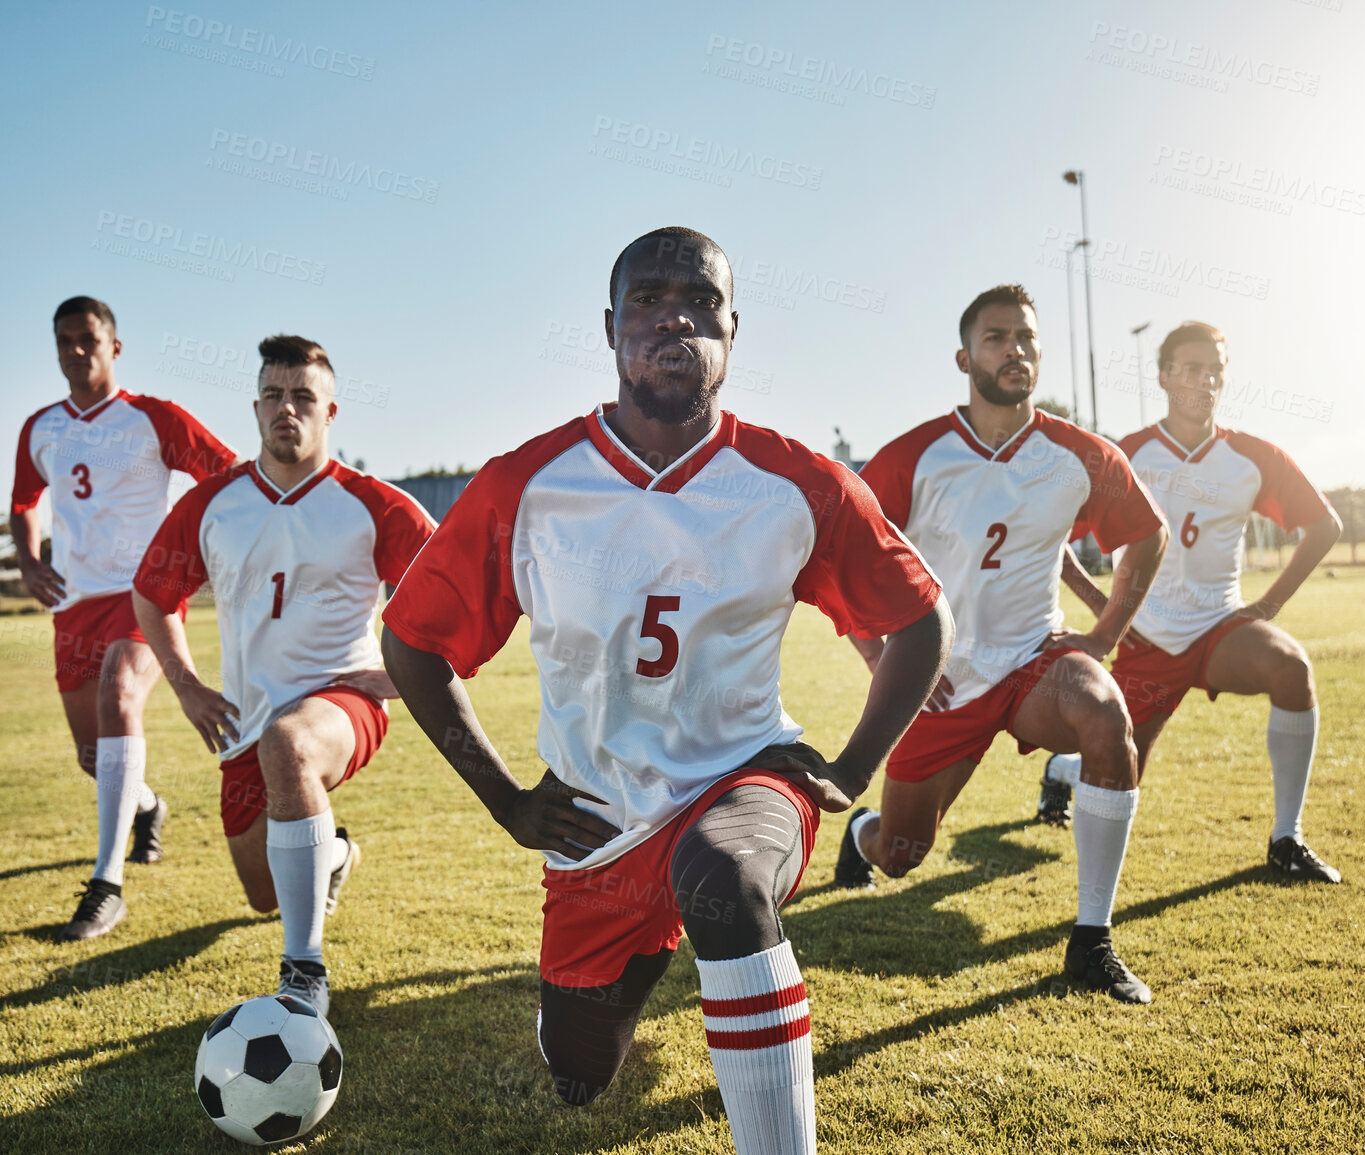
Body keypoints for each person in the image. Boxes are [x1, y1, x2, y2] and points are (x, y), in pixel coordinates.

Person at [381, 227, 950, 1155]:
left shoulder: (791, 483)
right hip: (595, 826)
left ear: (732, 331)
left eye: (698, 299)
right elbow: (410, 645)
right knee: (577, 1073)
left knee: (722, 878)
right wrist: (508, 803)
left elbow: (920, 620)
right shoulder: (527, 486)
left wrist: (849, 767)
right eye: (646, 298)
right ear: (610, 328)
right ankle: (642, 947)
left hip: (741, 781)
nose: (672, 315)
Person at [839, 284, 1168, 1004]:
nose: (1013, 348)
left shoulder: (1078, 456)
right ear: (964, 356)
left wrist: (1104, 631)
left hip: (1034, 659)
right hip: (941, 678)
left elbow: (1147, 534)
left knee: (1105, 720)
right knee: (899, 856)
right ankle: (860, 832)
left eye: (1024, 337)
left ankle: (1091, 940)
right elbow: (841, 557)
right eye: (994, 337)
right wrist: (884, 659)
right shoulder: (911, 456)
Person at [131, 334, 434, 1013]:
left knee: (289, 746)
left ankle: (304, 970)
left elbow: (453, 588)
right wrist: (185, 685)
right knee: (264, 893)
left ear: (330, 411)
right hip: (242, 719)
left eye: (302, 396)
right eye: (273, 395)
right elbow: (152, 595)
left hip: (342, 701)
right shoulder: (213, 504)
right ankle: (331, 855)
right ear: (255, 407)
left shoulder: (372, 502)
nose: (286, 409)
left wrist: (404, 671)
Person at [1046, 321, 1344, 883]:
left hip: (1219, 629)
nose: (1205, 380)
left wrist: (1269, 605)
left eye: (1215, 370)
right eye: (1190, 368)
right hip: (1145, 638)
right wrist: (1105, 610)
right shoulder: (1126, 455)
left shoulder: (1251, 457)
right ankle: (1061, 774)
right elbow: (1053, 534)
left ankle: (1287, 839)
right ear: (1163, 377)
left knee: (1291, 668)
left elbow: (1325, 525)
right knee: (1120, 769)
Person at [11, 296, 237, 942]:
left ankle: (106, 887)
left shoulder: (152, 418)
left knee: (119, 689)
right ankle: (148, 806)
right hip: (72, 604)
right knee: (93, 754)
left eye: (88, 338)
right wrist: (30, 562)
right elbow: (23, 501)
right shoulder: (40, 428)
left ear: (115, 346)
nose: (76, 351)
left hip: (144, 594)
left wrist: (188, 555)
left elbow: (224, 473)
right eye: (64, 340)